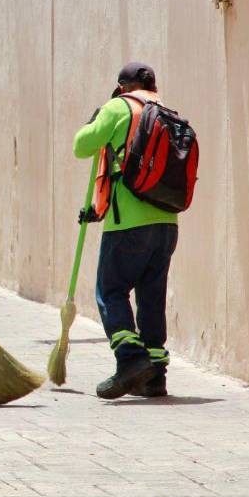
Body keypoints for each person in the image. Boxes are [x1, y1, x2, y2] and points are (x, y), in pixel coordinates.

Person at [73, 62, 177, 399]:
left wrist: (94, 122)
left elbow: (82, 146)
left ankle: (131, 361)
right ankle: (155, 375)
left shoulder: (118, 107)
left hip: (128, 224)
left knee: (111, 290)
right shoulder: (164, 111)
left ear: (122, 86)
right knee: (151, 298)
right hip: (166, 222)